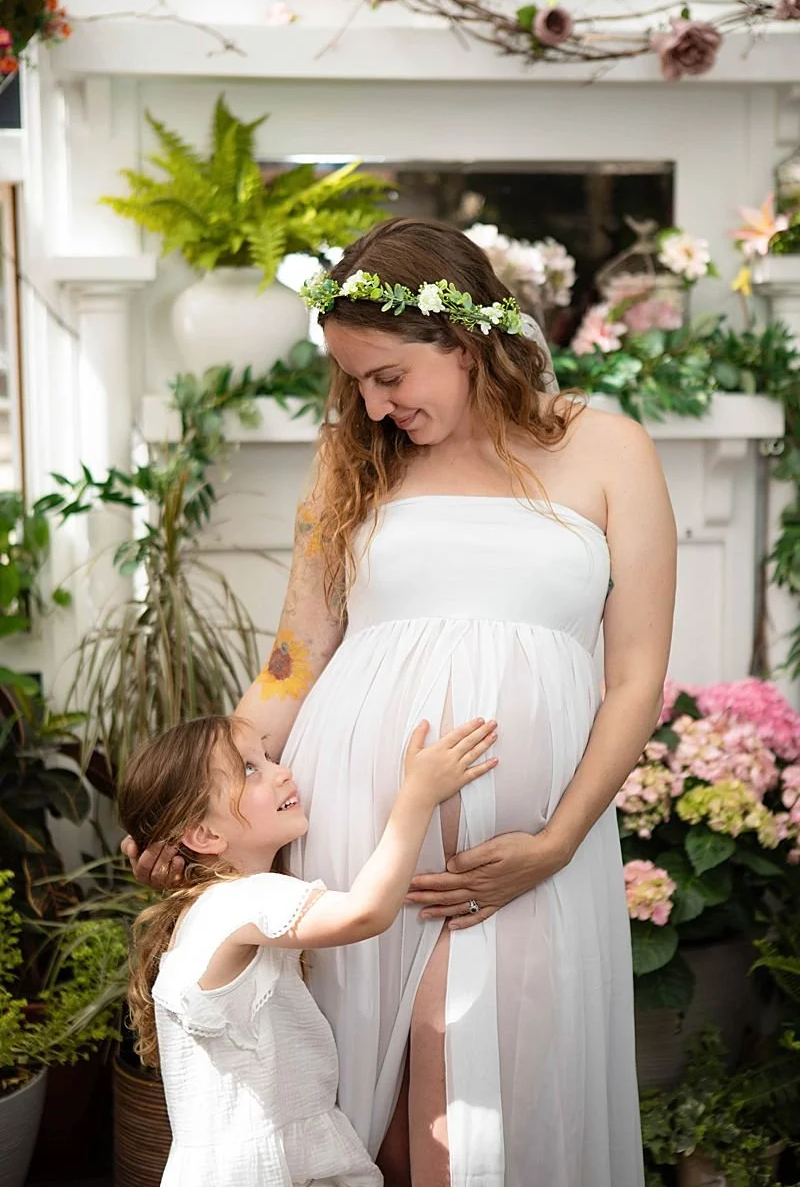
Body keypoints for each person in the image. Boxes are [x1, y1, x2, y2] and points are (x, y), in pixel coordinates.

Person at [124, 217, 676, 1187]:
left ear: (463, 344)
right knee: (369, 1110)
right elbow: (296, 658)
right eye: (354, 384)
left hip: (534, 850)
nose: (372, 408)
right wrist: (191, 798)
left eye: (388, 378)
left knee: (486, 1108)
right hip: (358, 830)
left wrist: (553, 842)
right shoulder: (355, 461)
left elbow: (634, 676)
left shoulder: (606, 449)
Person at [118, 711, 498, 1187]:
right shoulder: (240, 900)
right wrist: (418, 796)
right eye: (250, 769)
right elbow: (365, 913)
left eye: (269, 755)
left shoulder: (209, 910)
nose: (282, 771)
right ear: (206, 836)